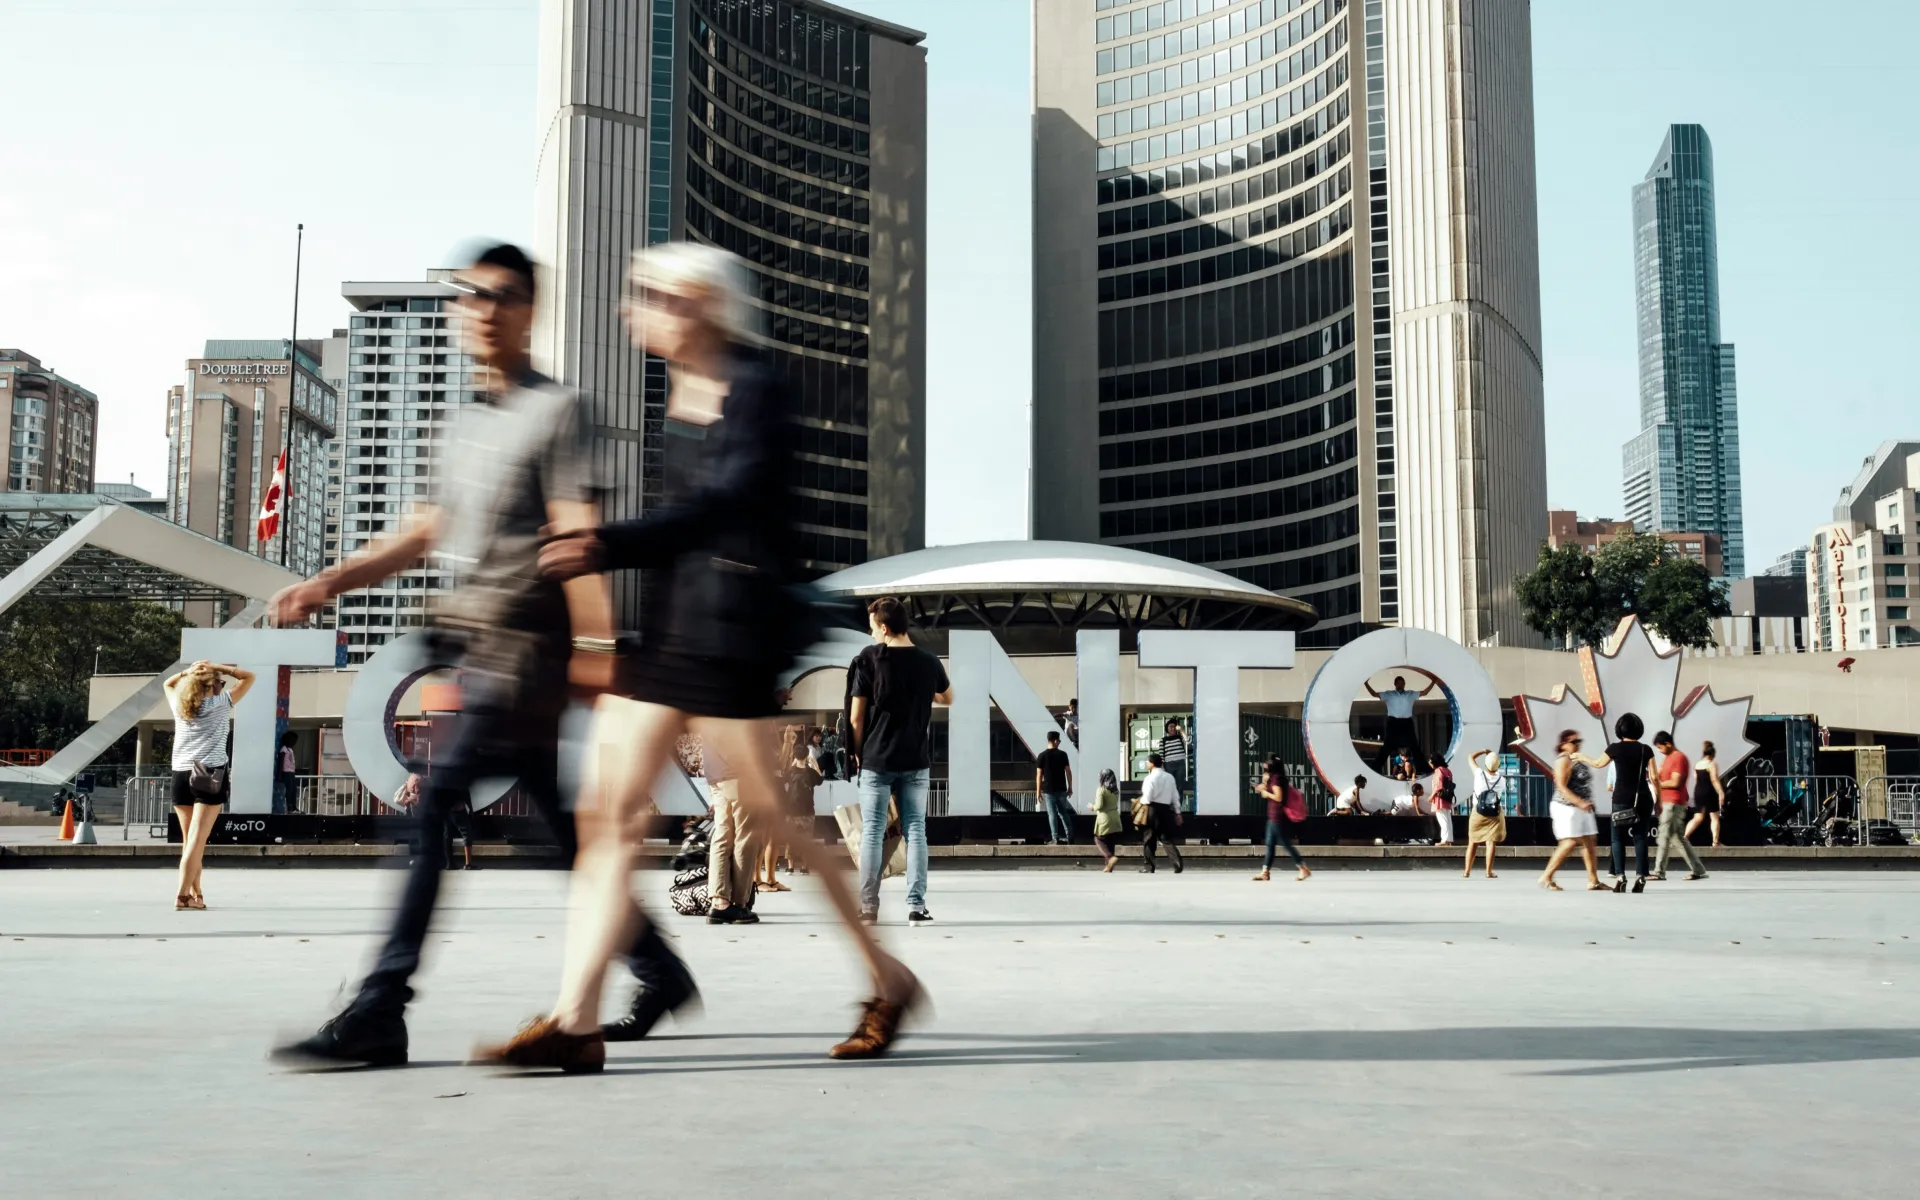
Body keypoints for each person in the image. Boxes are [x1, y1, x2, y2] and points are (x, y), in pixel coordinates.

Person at [480, 242, 922, 1070]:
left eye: (650, 293)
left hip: (733, 641)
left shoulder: (757, 388)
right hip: (677, 634)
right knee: (605, 816)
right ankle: (575, 1021)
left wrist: (603, 543)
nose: (631, 308)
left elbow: (725, 508)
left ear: (701, 305)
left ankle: (888, 978)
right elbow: (690, 524)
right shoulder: (681, 393)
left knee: (778, 820)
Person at [270, 242, 696, 1068]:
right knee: (560, 836)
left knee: (432, 810)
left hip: (528, 654)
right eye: (471, 296)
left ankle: (380, 1006)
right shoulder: (461, 423)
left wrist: (599, 652)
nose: (483, 309)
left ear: (531, 310)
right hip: (476, 649)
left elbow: (577, 531)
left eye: (502, 296)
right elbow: (427, 530)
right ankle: (660, 967)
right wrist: (331, 580)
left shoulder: (558, 409)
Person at [848, 595, 952, 924]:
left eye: (872, 629)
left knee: (873, 832)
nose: (872, 636)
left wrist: (860, 754)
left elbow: (855, 720)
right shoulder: (928, 661)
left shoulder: (868, 659)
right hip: (916, 760)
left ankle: (868, 908)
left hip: (877, 760)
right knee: (916, 831)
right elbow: (948, 698)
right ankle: (916, 906)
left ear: (884, 627)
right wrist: (925, 692)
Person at [162, 660, 255, 910]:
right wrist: (219, 667)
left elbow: (167, 683)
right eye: (219, 682)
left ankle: (197, 893)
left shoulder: (179, 704)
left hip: (181, 774)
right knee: (197, 840)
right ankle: (182, 896)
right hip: (209, 775)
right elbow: (249, 677)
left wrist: (188, 672)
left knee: (189, 841)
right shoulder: (219, 703)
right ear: (212, 685)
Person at [1584, 712, 1658, 892]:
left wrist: (1580, 757)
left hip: (1621, 798)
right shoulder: (1646, 749)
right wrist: (1660, 801)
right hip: (1643, 798)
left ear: (1619, 729)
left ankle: (1620, 876)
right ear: (1639, 729)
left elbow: (1597, 764)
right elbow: (1655, 777)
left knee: (1617, 839)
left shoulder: (1614, 748)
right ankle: (1641, 876)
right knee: (1641, 838)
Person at [702, 736, 760, 925]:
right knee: (745, 837)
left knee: (722, 835)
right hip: (738, 774)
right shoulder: (735, 706)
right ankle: (739, 904)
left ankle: (719, 903)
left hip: (715, 774)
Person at [1538, 730, 1604, 891]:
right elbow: (1561, 786)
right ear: (1563, 745)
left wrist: (1586, 802)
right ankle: (1546, 876)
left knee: (1589, 840)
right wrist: (1579, 802)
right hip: (1566, 807)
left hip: (1582, 807)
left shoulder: (1577, 758)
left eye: (1579, 741)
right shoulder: (1563, 759)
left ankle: (1593, 881)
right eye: (1574, 742)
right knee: (1569, 842)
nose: (1578, 744)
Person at [1651, 731, 1708, 881]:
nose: (1659, 750)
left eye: (1660, 747)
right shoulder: (1667, 759)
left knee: (1664, 836)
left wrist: (1658, 784)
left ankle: (1659, 872)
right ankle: (1699, 870)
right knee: (1677, 838)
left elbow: (1676, 782)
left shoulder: (1678, 758)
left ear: (1668, 744)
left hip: (1674, 802)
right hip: (1667, 802)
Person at [1253, 757, 1309, 882]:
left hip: (1277, 817)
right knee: (1270, 844)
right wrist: (1263, 786)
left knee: (1285, 844)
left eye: (1266, 766)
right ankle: (1265, 872)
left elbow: (1278, 797)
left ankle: (1303, 868)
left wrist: (1266, 793)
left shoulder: (1276, 779)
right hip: (1273, 816)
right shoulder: (1275, 778)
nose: (1264, 767)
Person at [1366, 673, 1435, 770]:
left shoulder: (1410, 694)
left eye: (1402, 683)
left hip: (1407, 722)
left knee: (1414, 746)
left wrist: (1433, 682)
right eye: (1398, 683)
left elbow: (1424, 692)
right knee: (1387, 747)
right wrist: (1366, 683)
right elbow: (1374, 694)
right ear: (1395, 684)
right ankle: (1375, 768)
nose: (1400, 685)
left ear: (1404, 684)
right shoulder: (1389, 694)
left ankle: (1425, 769)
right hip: (1393, 722)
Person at [1137, 752, 1184, 873]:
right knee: (1165, 838)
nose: (1147, 763)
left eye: (1148, 762)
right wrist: (1178, 812)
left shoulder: (1149, 778)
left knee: (1149, 838)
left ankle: (1149, 866)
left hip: (1152, 809)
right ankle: (1177, 863)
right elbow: (1175, 796)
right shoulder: (1169, 777)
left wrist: (1140, 801)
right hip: (1166, 810)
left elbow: (1147, 797)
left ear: (1152, 764)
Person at [1462, 748, 1505, 878]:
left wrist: (1484, 751)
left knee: (1473, 842)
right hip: (1494, 814)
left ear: (1485, 764)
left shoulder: (1479, 774)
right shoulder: (1501, 780)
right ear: (1498, 765)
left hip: (1478, 812)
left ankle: (1467, 871)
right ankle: (1488, 872)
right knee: (1491, 842)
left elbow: (1470, 757)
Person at [1035, 730, 1075, 845]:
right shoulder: (1063, 754)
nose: (1059, 743)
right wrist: (1070, 787)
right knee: (1063, 813)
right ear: (1056, 740)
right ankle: (1070, 836)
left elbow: (1039, 775)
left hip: (1048, 790)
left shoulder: (1042, 756)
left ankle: (1055, 838)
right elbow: (1068, 772)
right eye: (1059, 741)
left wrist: (1038, 791)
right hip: (1061, 789)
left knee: (1052, 814)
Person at [1687, 740, 1727, 847]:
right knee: (1714, 817)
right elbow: (1714, 780)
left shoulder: (1697, 764)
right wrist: (1721, 792)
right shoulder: (1711, 764)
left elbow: (1696, 779)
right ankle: (1715, 841)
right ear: (1712, 754)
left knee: (1698, 817)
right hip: (1709, 791)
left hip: (1698, 791)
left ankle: (1684, 837)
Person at [1091, 768, 1123, 872]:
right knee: (1110, 841)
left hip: (1105, 818)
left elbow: (1099, 806)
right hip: (1115, 817)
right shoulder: (1116, 790)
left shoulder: (1101, 790)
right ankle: (1109, 866)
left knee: (1098, 839)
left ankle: (1110, 858)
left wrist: (1092, 807)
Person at [1158, 718, 1191, 806]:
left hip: (1180, 764)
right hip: (1169, 765)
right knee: (1169, 787)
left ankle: (1178, 807)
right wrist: (1162, 769)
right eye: (1170, 726)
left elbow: (1188, 740)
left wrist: (1181, 730)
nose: (1172, 728)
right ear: (1167, 728)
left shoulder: (1180, 737)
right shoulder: (1163, 740)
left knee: (1179, 787)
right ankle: (1169, 806)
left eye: (1173, 726)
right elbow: (1161, 755)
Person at [1427, 754, 1456, 846]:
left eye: (1430, 761)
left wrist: (1431, 796)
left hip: (1439, 798)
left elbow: (1438, 786)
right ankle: (1449, 839)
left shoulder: (1438, 771)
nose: (1429, 763)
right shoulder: (1447, 771)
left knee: (1442, 819)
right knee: (1447, 819)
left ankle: (1445, 840)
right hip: (1447, 797)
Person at [272, 731, 299, 816]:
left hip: (291, 772)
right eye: (293, 741)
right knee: (289, 790)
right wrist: (279, 774)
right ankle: (290, 807)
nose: (294, 743)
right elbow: (281, 761)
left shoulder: (290, 750)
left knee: (294, 789)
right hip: (286, 772)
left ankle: (294, 806)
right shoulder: (284, 749)